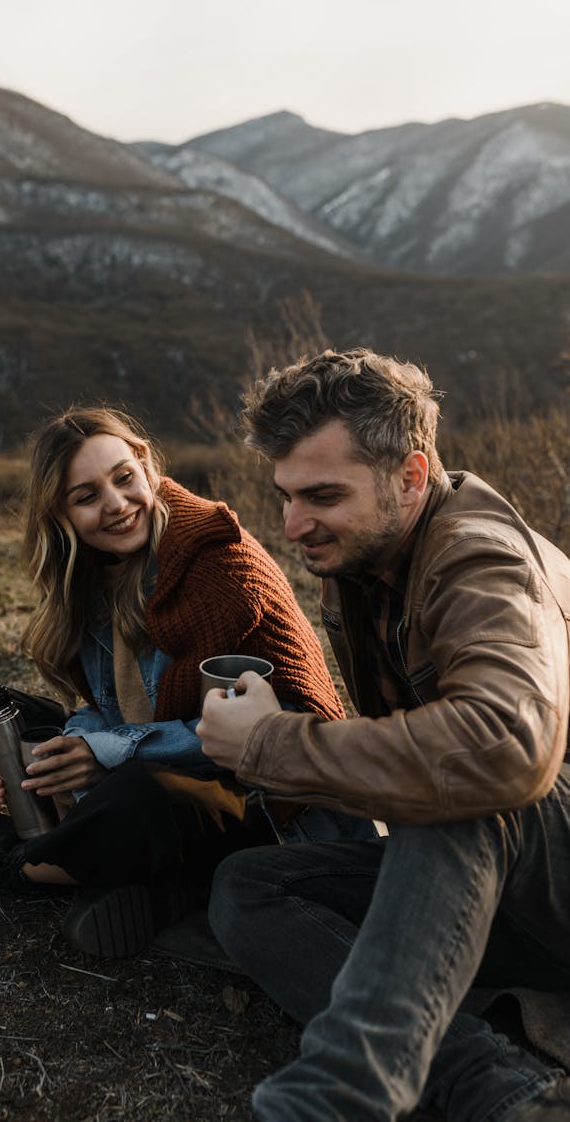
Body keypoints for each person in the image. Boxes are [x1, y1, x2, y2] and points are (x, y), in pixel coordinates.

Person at [197, 349, 570, 1120]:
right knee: (251, 888)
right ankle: (499, 1090)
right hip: (496, 890)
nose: (293, 525)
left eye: (323, 496)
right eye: (287, 496)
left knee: (463, 775)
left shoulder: (480, 556)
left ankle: (332, 1100)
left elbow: (503, 744)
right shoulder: (360, 568)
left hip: (548, 865)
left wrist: (274, 745)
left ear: (409, 475)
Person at [0, 404, 372, 958]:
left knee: (139, 795)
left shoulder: (219, 564)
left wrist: (102, 753)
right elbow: (109, 708)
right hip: (157, 758)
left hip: (263, 800)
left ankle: (20, 861)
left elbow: (236, 739)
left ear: (147, 466)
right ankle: (96, 854)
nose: (115, 505)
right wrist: (52, 755)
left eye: (123, 478)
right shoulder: (91, 575)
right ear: (60, 515)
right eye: (86, 497)